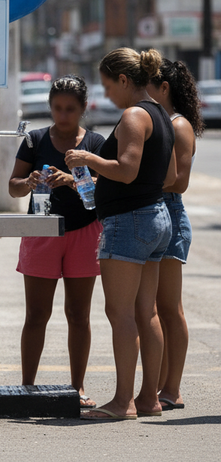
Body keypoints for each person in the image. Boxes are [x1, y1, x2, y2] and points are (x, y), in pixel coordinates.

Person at [66, 48, 176, 421]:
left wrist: (88, 160)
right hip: (157, 215)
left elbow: (126, 169)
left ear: (124, 81)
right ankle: (149, 399)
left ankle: (123, 401)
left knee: (120, 312)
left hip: (129, 222)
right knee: (148, 312)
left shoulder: (132, 115)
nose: (107, 95)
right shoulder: (162, 114)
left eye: (109, 86)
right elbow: (169, 175)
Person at [8, 75, 105, 410]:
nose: (63, 115)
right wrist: (29, 180)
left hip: (84, 231)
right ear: (50, 106)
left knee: (78, 314)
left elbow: (107, 186)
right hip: (42, 231)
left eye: (70, 109)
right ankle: (26, 387)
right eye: (57, 108)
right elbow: (13, 186)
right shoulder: (35, 140)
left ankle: (76, 387)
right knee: (37, 314)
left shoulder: (94, 142)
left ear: (83, 108)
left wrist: (76, 182)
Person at [146, 59, 203, 411]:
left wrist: (136, 179)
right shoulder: (161, 122)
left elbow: (180, 181)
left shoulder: (178, 125)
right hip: (153, 209)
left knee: (169, 308)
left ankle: (172, 389)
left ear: (164, 87)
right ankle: (160, 386)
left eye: (148, 84)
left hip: (169, 211)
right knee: (153, 308)